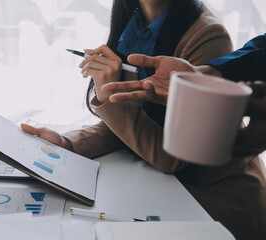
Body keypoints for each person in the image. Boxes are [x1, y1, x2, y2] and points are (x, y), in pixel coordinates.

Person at [21, 0, 244, 237]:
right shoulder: (134, 20)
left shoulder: (208, 37)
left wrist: (109, 92)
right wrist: (67, 144)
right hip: (166, 193)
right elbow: (134, 122)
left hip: (213, 207)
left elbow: (173, 158)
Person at [100, 34, 266, 239]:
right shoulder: (131, 28)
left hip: (220, 208)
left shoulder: (207, 35)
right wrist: (204, 74)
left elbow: (171, 159)